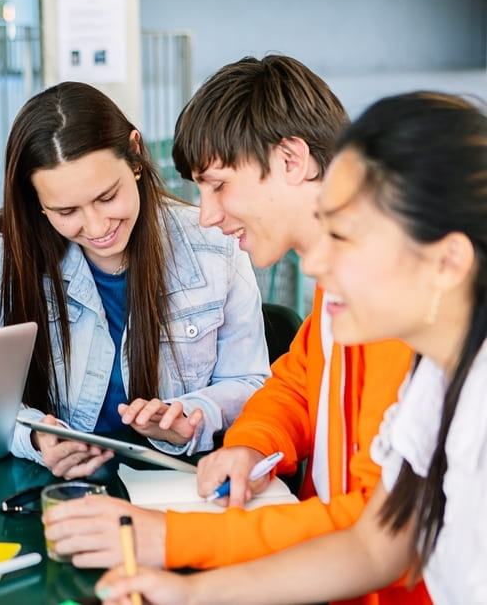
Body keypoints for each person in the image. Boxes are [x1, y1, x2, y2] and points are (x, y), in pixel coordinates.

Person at [44, 56, 430, 605]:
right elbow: (299, 384)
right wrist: (250, 444)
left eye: (219, 185)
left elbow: (377, 532)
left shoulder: (391, 295)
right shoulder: (339, 273)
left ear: (292, 160)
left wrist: (171, 538)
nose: (206, 215)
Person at [0, 81, 270, 478]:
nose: (96, 227)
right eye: (66, 211)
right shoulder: (2, 255)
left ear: (135, 155)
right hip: (46, 483)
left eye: (107, 197)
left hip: (175, 482)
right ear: (36, 202)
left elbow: (250, 382)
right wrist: (35, 438)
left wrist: (189, 416)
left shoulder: (215, 242)